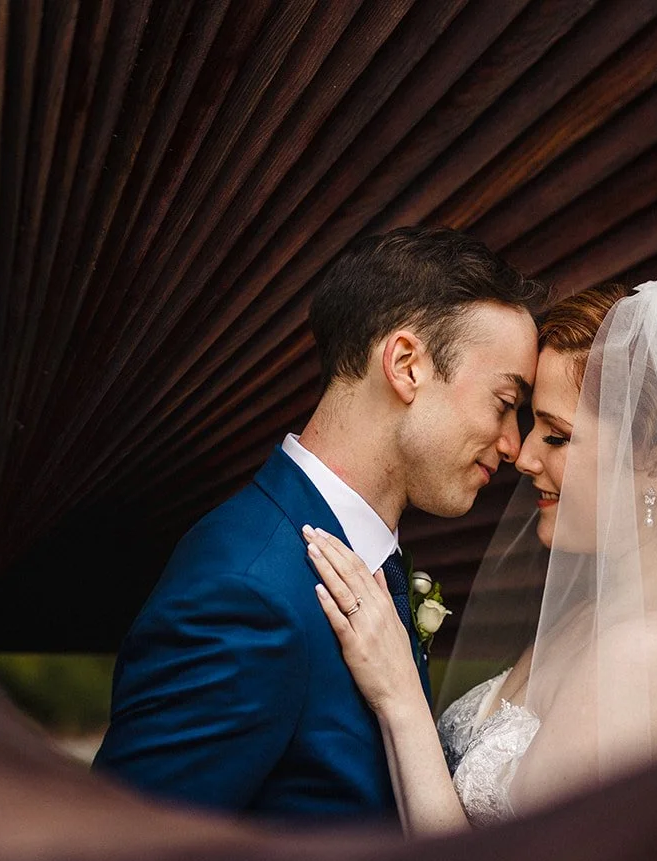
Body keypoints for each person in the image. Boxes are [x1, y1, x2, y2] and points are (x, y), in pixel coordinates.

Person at [305, 281, 657, 834]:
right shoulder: (593, 616)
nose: (524, 456)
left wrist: (400, 700)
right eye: (530, 422)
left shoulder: (650, 662)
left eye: (557, 437)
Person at [93, 227, 544, 822]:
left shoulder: (360, 561)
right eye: (504, 402)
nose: (513, 445)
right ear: (407, 365)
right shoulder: (248, 592)